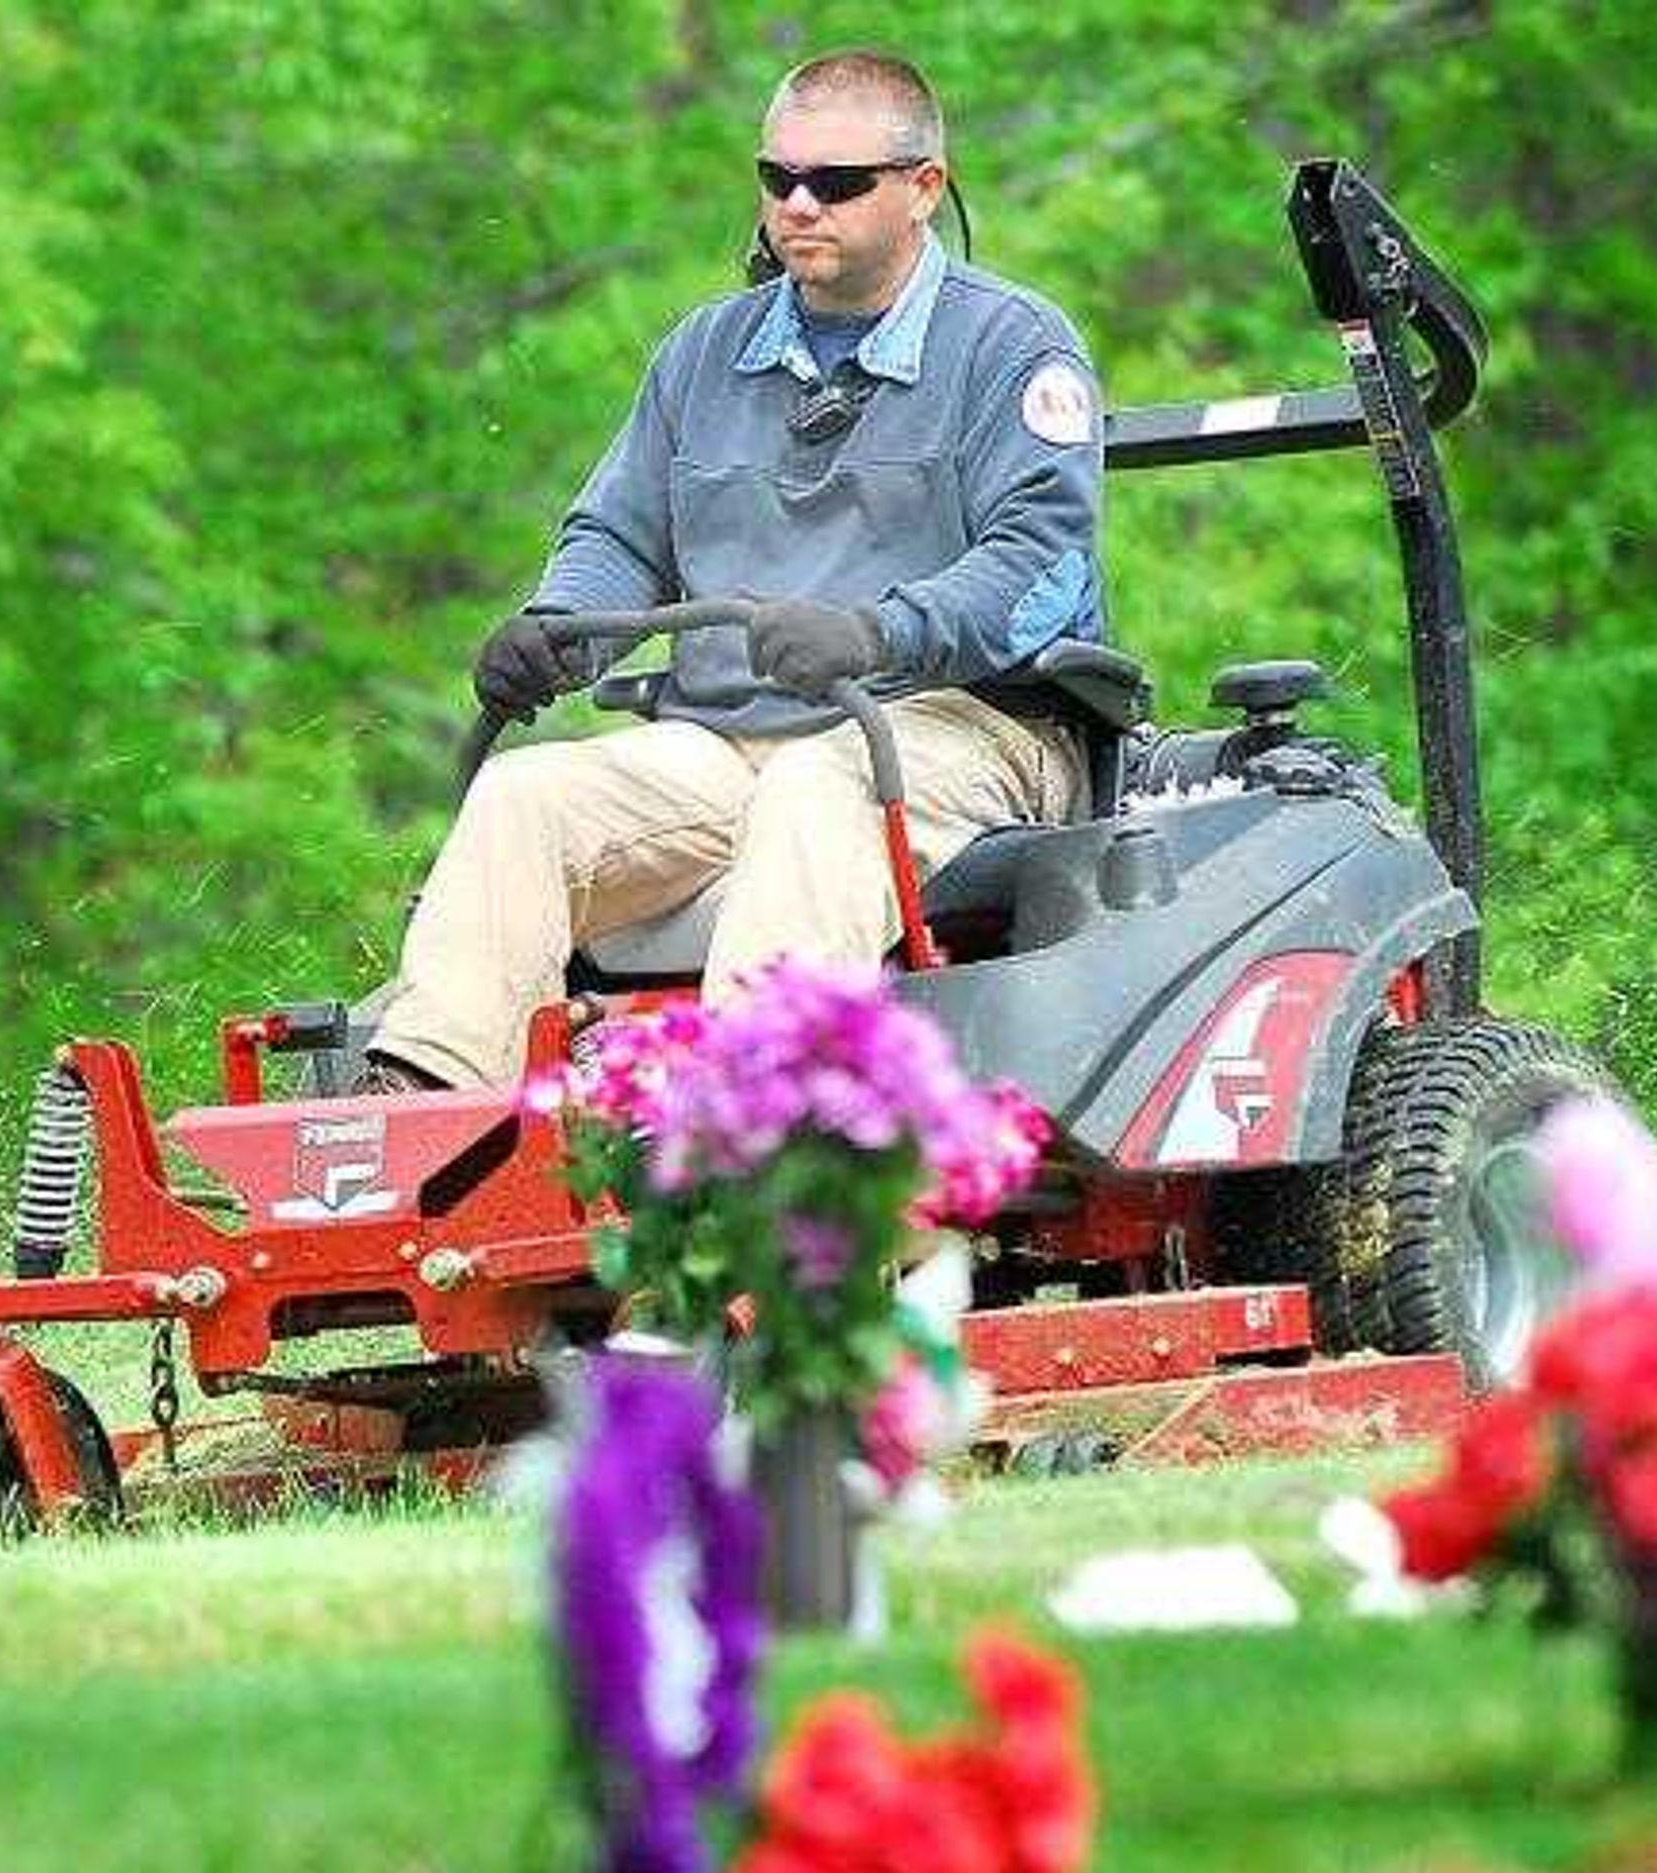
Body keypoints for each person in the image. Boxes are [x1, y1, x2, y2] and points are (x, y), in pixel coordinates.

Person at [360, 49, 1108, 1092]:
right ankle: (424, 1124)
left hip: (960, 725)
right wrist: (559, 622)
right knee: (526, 792)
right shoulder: (703, 353)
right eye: (777, 179)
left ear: (924, 188)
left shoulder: (1014, 347)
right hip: (725, 741)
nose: (798, 205)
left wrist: (879, 632)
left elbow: (1041, 571)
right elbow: (620, 536)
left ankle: (740, 1129)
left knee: (818, 783)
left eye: (837, 183)